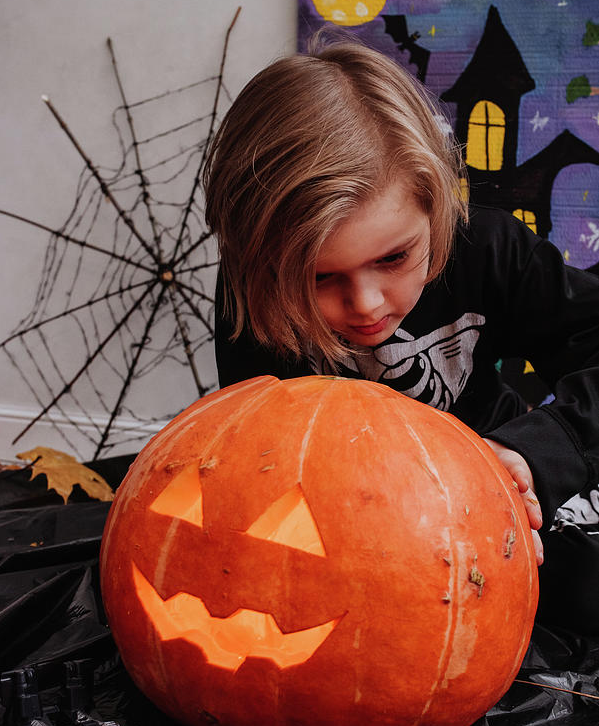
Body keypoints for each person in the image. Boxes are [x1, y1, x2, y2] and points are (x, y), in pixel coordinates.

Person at [203, 35, 599, 628]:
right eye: (320, 277)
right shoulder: (253, 304)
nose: (364, 305)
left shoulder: (488, 250)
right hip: (361, 531)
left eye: (393, 259)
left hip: (508, 483)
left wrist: (532, 451)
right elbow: (265, 468)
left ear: (434, 207)